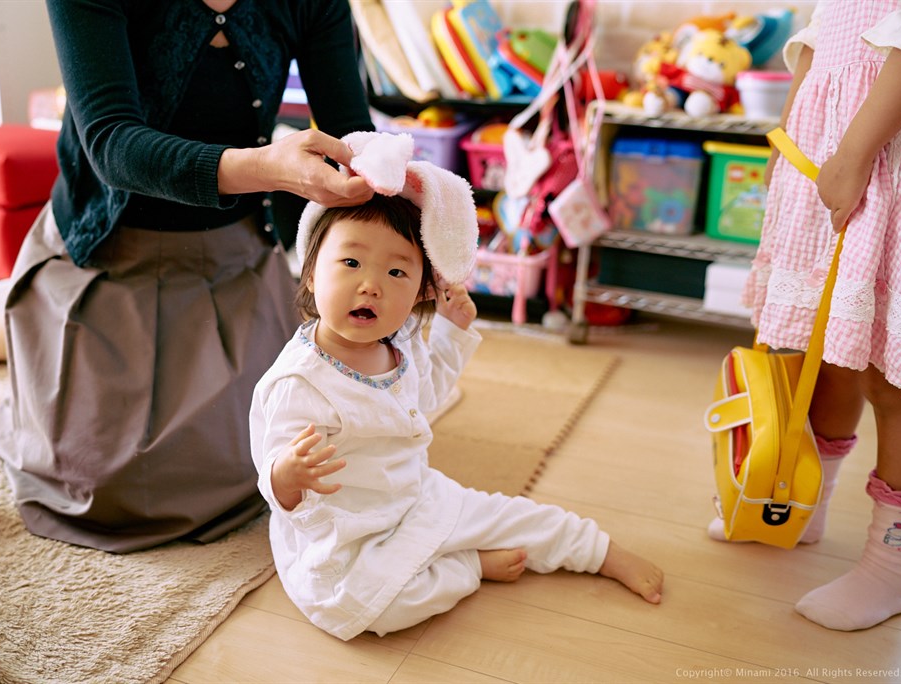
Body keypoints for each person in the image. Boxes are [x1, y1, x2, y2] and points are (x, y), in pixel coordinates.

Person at [0, 0, 376, 553]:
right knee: (105, 487)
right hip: (111, 252)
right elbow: (111, 143)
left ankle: (4, 327)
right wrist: (267, 167)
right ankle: (13, 324)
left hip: (233, 252)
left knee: (263, 456)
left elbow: (354, 135)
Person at [249, 134, 663, 640]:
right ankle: (468, 567)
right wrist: (288, 475)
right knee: (354, 611)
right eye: (351, 263)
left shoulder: (396, 345)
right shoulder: (299, 382)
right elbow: (274, 480)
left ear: (422, 290)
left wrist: (450, 328)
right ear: (312, 273)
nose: (370, 285)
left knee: (515, 514)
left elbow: (424, 400)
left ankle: (601, 552)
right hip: (348, 536)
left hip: (417, 497)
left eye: (396, 271)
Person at [712, 0, 901, 631]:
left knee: (892, 373)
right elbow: (823, 34)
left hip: (888, 153)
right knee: (826, 346)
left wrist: (854, 155)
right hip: (832, 148)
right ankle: (801, 501)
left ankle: (895, 563)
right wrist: (790, 130)